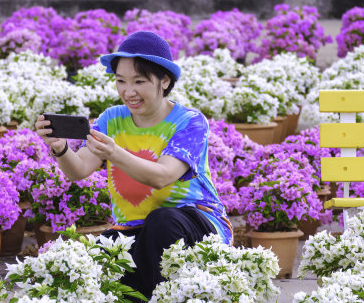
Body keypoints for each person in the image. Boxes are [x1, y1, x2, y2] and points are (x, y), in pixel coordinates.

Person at [35, 31, 233, 299]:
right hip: (134, 230)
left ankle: (167, 296)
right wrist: (59, 147)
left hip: (194, 222)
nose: (128, 92)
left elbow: (163, 176)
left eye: (139, 81)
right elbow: (78, 170)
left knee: (162, 222)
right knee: (102, 254)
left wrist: (115, 153)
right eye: (120, 81)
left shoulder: (190, 122)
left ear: (164, 80)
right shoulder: (112, 119)